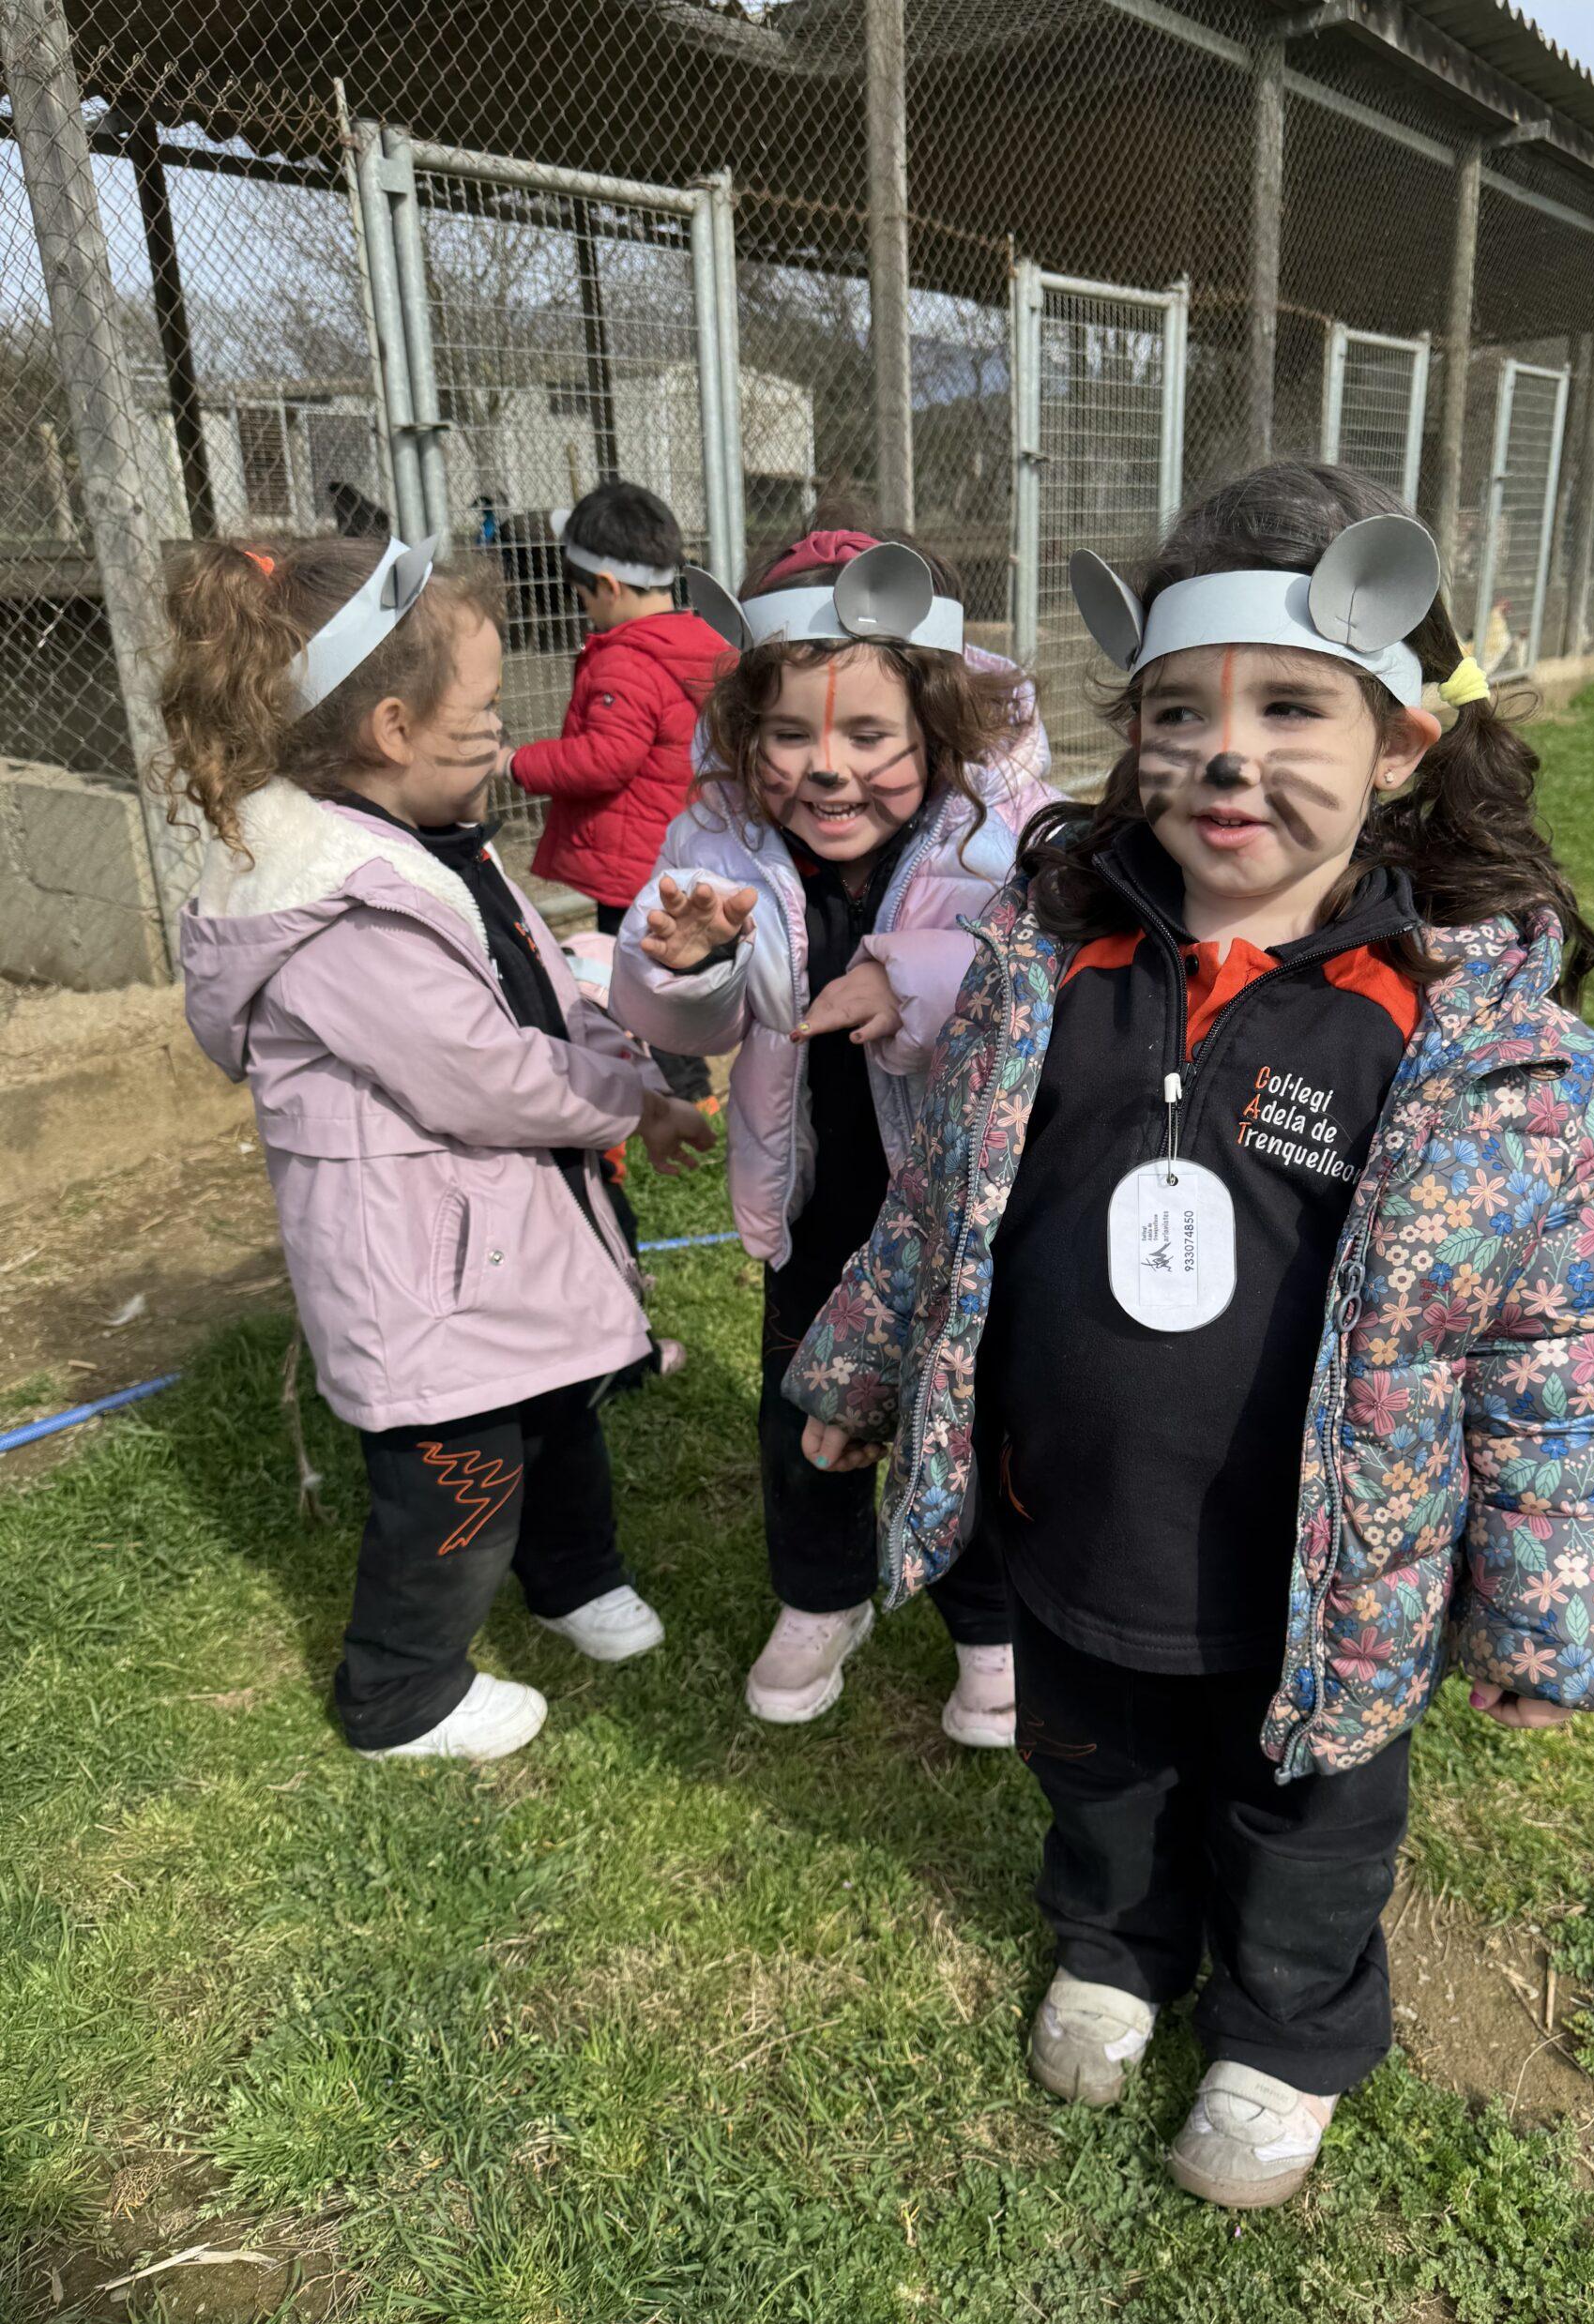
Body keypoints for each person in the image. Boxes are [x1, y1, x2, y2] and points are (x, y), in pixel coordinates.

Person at [789, 463, 1594, 2209]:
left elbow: (1560, 1349)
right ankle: (1116, 1947)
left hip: (1324, 1581)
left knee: (1307, 1828)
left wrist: (1559, 1604)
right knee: (1098, 1778)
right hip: (1074, 1525)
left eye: (1289, 710)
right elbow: (945, 1202)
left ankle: (1285, 2029)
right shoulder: (1053, 960)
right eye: (1179, 712)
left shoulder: (1482, 1041)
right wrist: (861, 1367)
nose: (1224, 756)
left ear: (1402, 742)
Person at [165, 534, 715, 1763]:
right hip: (420, 1268)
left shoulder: (435, 843)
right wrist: (624, 1102)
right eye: (486, 718)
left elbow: (542, 993)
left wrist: (629, 1075)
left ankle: (572, 1578)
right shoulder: (338, 906)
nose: (504, 739)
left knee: (559, 1405)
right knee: (457, 1477)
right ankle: (401, 1693)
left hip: (499, 1239)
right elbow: (483, 1073)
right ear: (395, 729)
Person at [609, 528, 1062, 1744]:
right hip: (813, 1198)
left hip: (963, 1205)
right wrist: (684, 969)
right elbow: (681, 1011)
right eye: (788, 737)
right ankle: (822, 1596)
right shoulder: (717, 835)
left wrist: (906, 978)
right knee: (801, 1406)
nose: (826, 770)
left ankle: (988, 1619)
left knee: (965, 1412)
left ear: (937, 725)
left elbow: (1048, 969)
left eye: (868, 737)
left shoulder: (1011, 828)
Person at [500, 479, 731, 1106]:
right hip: (676, 850)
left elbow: (605, 758)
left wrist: (516, 763)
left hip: (632, 864)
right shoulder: (698, 644)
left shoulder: (625, 660)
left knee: (635, 977)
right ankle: (689, 1092)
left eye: (581, 596)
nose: (583, 610)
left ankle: (676, 1095)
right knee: (669, 968)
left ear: (607, 586)